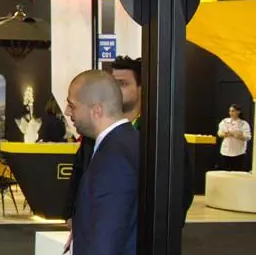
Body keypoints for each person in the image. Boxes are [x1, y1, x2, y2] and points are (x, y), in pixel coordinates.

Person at [61, 70, 139, 255]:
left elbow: (108, 240)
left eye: (72, 105)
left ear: (96, 109)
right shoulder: (123, 144)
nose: (68, 112)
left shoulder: (115, 154)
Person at [65, 56, 193, 223]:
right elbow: (79, 178)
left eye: (123, 84)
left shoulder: (160, 134)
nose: (116, 90)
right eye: (113, 83)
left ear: (141, 88)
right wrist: (72, 215)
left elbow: (181, 187)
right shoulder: (93, 134)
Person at [217, 104, 252, 171]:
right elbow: (220, 133)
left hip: (238, 153)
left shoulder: (244, 124)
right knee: (225, 172)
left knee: (236, 172)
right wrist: (233, 133)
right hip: (225, 152)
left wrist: (236, 135)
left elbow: (247, 137)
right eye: (230, 111)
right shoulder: (224, 121)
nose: (231, 113)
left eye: (233, 111)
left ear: (238, 112)